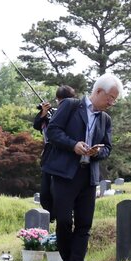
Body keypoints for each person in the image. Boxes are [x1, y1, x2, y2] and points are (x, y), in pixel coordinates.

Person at [43, 74, 119, 261]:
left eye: (114, 100)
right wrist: (73, 145)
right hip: (65, 173)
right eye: (110, 98)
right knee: (64, 221)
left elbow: (108, 147)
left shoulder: (105, 119)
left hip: (89, 175)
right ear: (98, 91)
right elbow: (53, 132)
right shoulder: (70, 105)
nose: (111, 103)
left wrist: (98, 152)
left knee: (85, 223)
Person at [32, 85, 77, 214]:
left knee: (59, 189)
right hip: (49, 154)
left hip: (68, 154)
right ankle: (49, 214)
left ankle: (65, 213)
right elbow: (37, 125)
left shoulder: (77, 114)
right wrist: (43, 113)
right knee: (45, 190)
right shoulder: (52, 113)